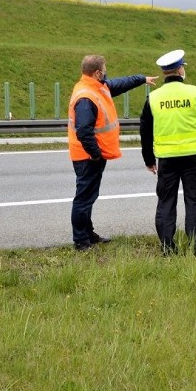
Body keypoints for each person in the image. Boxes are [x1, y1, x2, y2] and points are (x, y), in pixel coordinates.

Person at [139, 49, 196, 256]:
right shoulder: (194, 93)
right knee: (194, 200)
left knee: (165, 202)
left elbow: (145, 131)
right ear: (181, 70)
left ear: (164, 73)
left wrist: (148, 159)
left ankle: (167, 248)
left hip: (167, 159)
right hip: (193, 157)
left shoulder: (153, 98)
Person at [68, 55, 156, 251]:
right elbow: (83, 130)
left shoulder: (97, 86)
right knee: (83, 198)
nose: (106, 72)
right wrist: (96, 153)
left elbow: (120, 83)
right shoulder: (86, 96)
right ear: (97, 72)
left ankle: (88, 233)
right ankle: (81, 241)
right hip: (88, 157)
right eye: (104, 69)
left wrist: (142, 79)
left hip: (92, 156)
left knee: (89, 197)